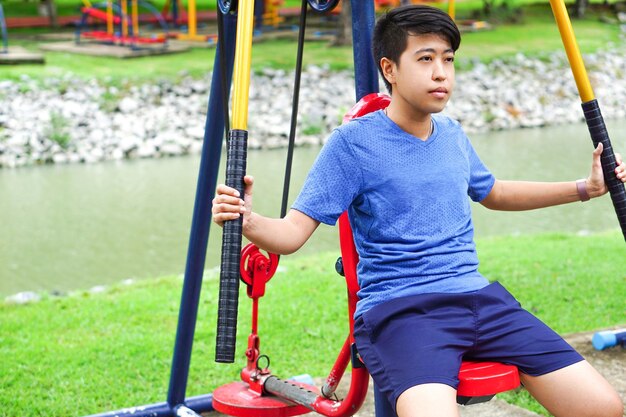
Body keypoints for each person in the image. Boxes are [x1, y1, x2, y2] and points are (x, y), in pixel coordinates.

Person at [212, 5, 625, 417]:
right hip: (402, 312)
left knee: (603, 408)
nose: (441, 72)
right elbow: (292, 233)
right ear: (389, 69)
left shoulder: (452, 133)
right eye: (425, 59)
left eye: (448, 59)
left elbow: (494, 191)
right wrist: (248, 220)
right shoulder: (352, 144)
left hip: (479, 300)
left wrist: (584, 189)